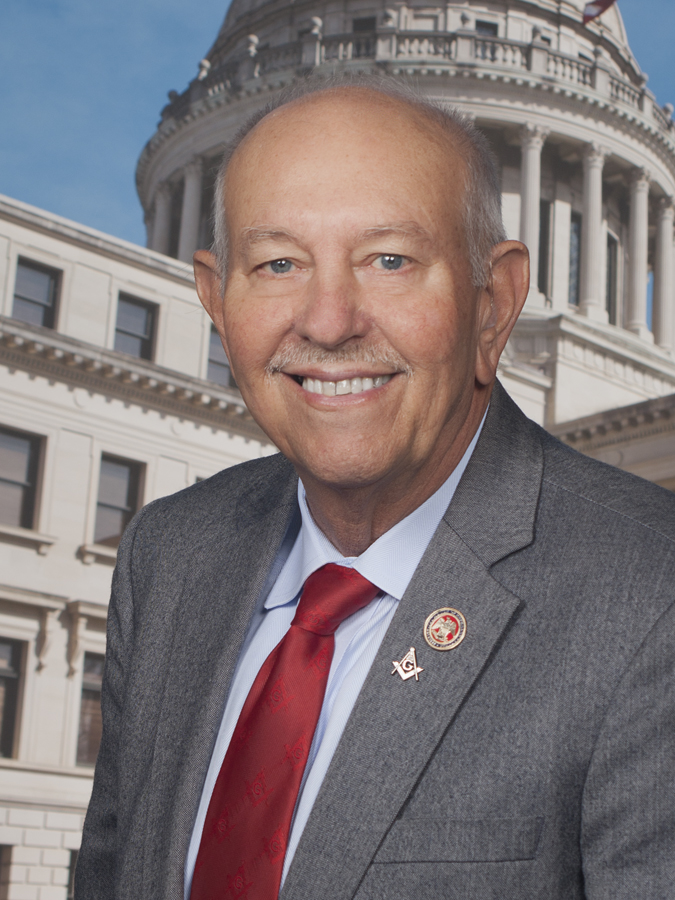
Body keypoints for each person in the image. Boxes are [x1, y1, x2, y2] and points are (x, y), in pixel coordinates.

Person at [75, 81, 675, 900]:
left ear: (493, 304)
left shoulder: (649, 586)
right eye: (277, 263)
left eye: (389, 260)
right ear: (215, 299)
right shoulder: (169, 554)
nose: (327, 322)